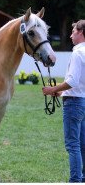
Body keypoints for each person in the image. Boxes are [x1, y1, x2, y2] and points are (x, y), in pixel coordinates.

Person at [42, 20, 85, 182]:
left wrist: (52, 90)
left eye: (73, 31)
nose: (71, 35)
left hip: (74, 104)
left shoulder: (77, 53)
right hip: (82, 101)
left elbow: (73, 81)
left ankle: (75, 180)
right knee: (82, 145)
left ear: (80, 32)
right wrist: (61, 94)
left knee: (72, 145)